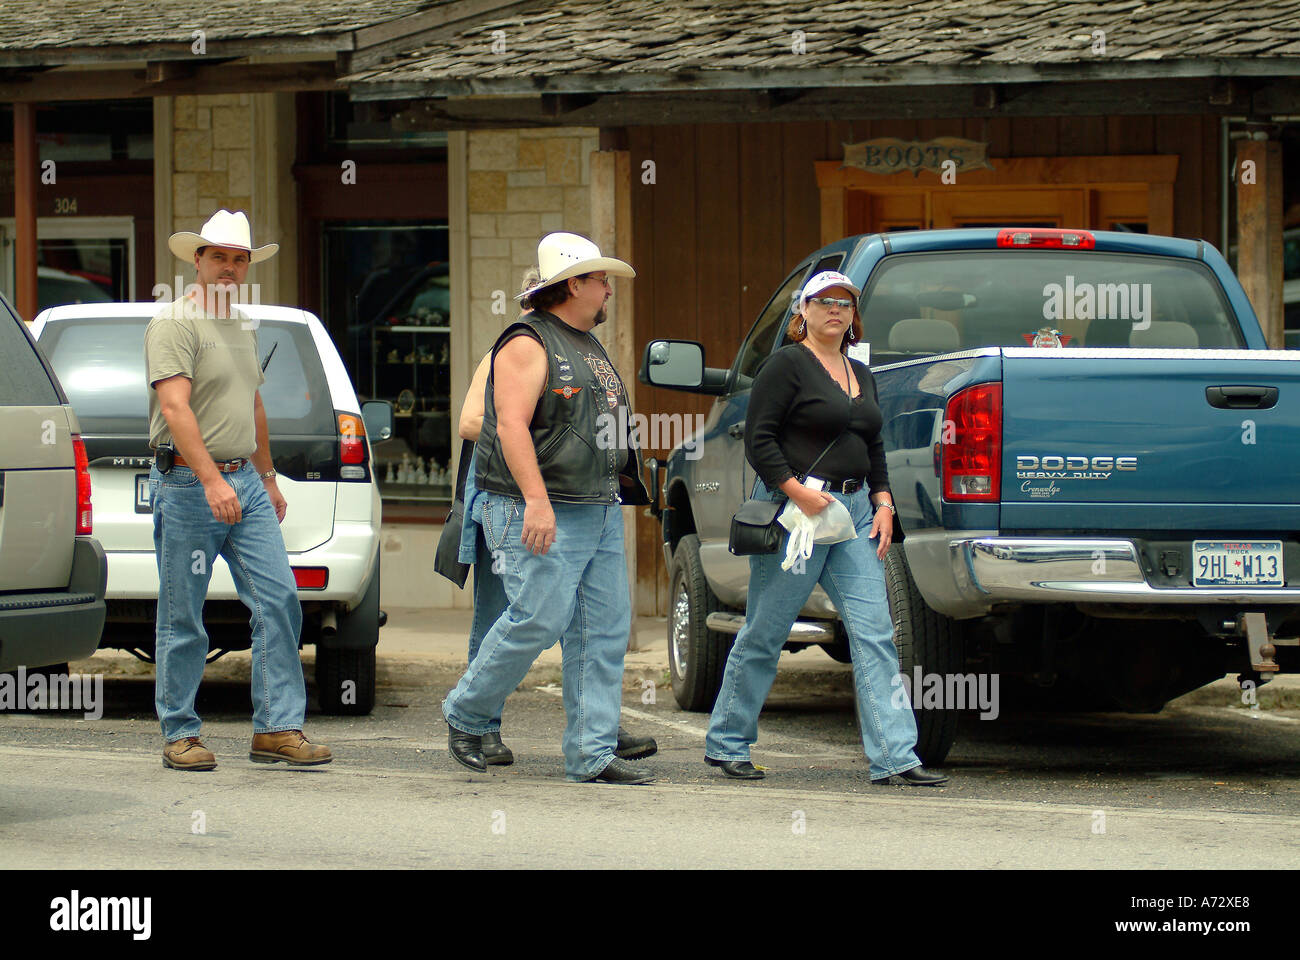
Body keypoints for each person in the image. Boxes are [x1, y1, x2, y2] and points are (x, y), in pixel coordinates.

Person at [703, 270, 947, 786]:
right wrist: (795, 491)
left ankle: (895, 756)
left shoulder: (862, 372)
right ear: (803, 312)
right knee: (767, 630)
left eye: (845, 303)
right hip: (800, 513)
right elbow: (759, 439)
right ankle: (728, 742)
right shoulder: (786, 366)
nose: (835, 310)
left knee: (876, 634)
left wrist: (884, 502)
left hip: (857, 513)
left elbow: (873, 444)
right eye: (824, 301)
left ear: (853, 315)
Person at [441, 232, 654, 784]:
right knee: (538, 617)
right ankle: (466, 712)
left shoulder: (585, 341)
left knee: (603, 629)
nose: (609, 289)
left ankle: (592, 752)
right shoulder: (527, 342)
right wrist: (536, 501)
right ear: (573, 284)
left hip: (596, 507)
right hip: (536, 506)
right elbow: (508, 425)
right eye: (601, 279)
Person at [145, 209, 331, 770]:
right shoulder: (175, 323)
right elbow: (175, 406)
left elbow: (252, 403)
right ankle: (180, 733)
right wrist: (209, 480)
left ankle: (276, 729)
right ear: (197, 261)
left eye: (239, 259)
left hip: (245, 483)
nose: (229, 267)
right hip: (186, 484)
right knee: (184, 614)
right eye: (219, 256)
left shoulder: (242, 324)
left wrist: (267, 477)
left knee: (278, 600)